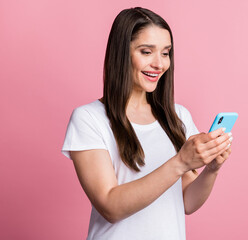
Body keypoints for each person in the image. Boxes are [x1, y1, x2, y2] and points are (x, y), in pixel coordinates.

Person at [61, 7, 233, 240]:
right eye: (146, 52)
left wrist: (212, 169)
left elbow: (187, 202)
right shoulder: (89, 118)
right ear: (122, 54)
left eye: (165, 53)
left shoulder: (177, 117)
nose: (159, 64)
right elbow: (110, 206)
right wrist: (180, 162)